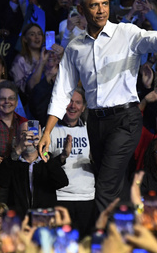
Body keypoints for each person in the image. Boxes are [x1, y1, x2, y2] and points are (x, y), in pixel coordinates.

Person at [38, 0, 157, 212]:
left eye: (104, 3)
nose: (101, 10)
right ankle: (131, 228)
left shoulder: (126, 33)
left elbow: (154, 40)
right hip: (95, 123)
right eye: (94, 5)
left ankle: (107, 240)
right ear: (81, 8)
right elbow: (61, 91)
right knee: (113, 182)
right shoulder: (75, 48)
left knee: (105, 186)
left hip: (126, 119)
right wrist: (47, 132)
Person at [0, 122, 69, 218]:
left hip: (44, 220)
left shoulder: (47, 161)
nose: (29, 137)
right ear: (17, 139)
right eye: (24, 134)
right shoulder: (13, 162)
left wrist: (44, 152)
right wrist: (17, 150)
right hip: (18, 221)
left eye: (34, 133)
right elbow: (0, 182)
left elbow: (62, 182)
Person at [48, 87, 96, 238]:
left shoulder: (92, 131)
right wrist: (62, 156)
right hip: (61, 198)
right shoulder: (49, 131)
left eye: (77, 102)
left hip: (87, 197)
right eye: (69, 101)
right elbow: (43, 164)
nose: (73, 106)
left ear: (83, 107)